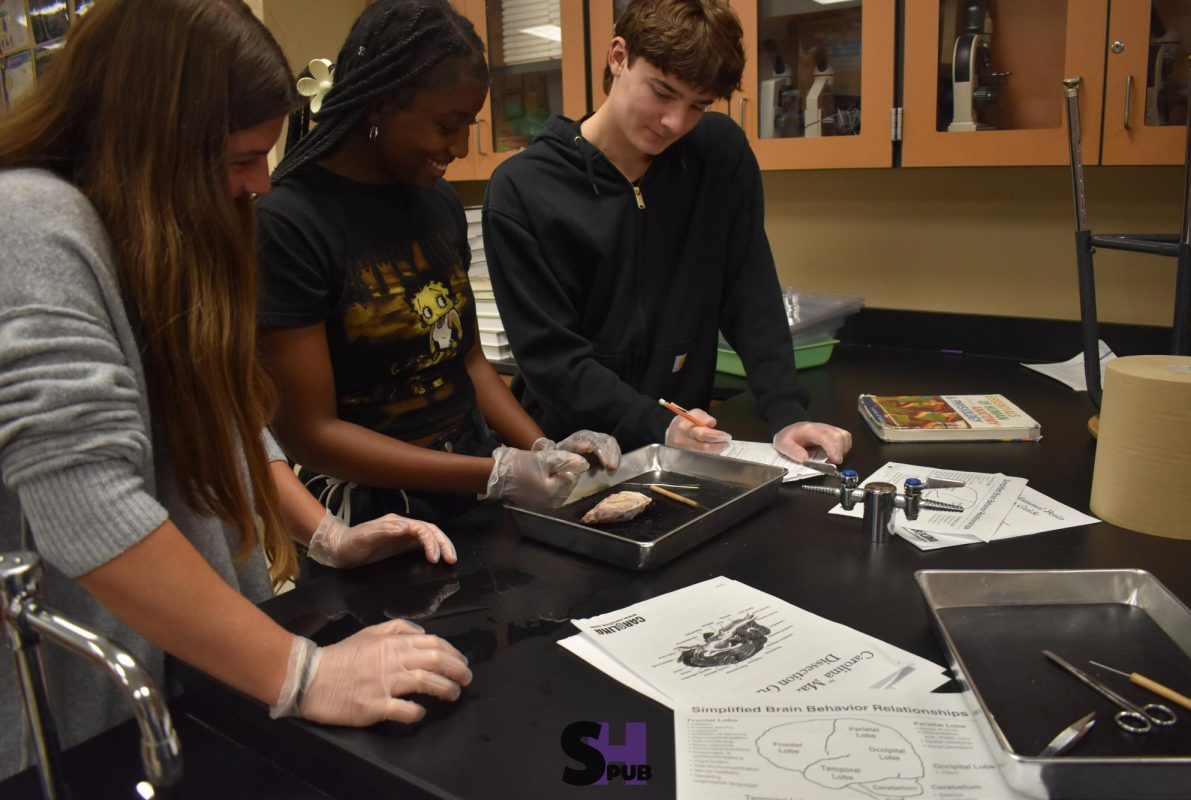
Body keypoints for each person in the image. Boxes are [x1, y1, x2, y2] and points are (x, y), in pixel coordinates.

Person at [0, 0, 471, 781]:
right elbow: (89, 503)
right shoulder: (28, 225)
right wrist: (304, 673)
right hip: (73, 718)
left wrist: (324, 534)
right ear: (152, 142)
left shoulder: (147, 225)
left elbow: (222, 414)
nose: (258, 182)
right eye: (237, 160)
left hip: (189, 668)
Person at [257, 0, 618, 530]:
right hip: (376, 513)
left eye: (469, 123)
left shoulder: (437, 203)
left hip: (469, 480)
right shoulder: (289, 223)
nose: (460, 145)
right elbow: (311, 432)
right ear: (381, 104)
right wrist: (491, 473)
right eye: (448, 125)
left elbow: (467, 361)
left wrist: (541, 447)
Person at [482, 0, 853, 464]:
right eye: (661, 92)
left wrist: (786, 412)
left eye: (697, 105)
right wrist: (657, 423)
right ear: (619, 57)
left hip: (677, 448)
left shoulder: (718, 154)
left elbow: (748, 290)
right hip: (570, 452)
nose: (674, 122)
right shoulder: (523, 188)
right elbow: (552, 359)